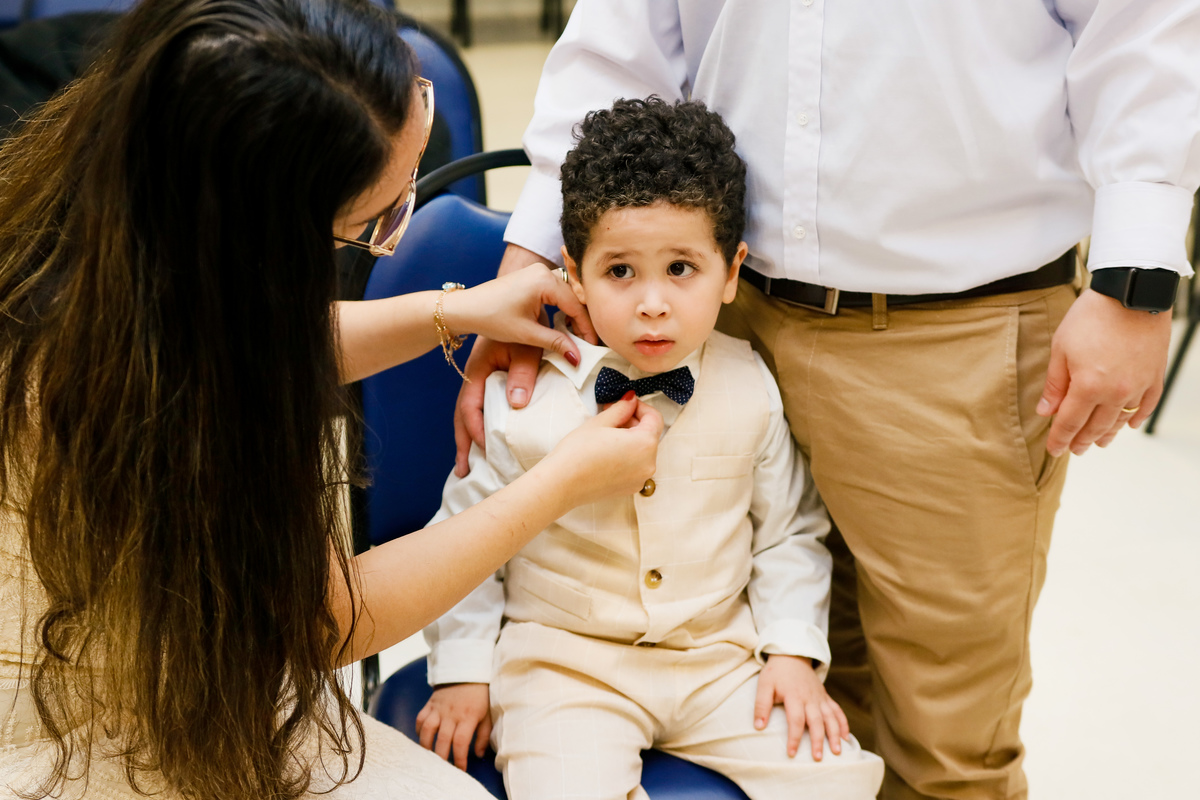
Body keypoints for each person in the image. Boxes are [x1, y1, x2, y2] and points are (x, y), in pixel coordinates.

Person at [455, 3, 1200, 799]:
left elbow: (1141, 22)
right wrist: (529, 267)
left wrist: (1137, 273)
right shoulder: (642, 335)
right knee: (821, 702)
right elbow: (621, 37)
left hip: (953, 321)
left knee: (945, 751)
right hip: (724, 314)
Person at [0, 2, 661, 799]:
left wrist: (452, 310)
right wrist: (561, 482)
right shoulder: (153, 389)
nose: (400, 220)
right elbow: (329, 620)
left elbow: (243, 341)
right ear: (259, 242)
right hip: (84, 727)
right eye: (374, 222)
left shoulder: (118, 233)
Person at [416, 98, 884, 800]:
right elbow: (466, 540)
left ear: (732, 271)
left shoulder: (752, 383)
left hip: (719, 660)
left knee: (840, 780)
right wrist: (463, 669)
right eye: (621, 272)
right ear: (573, 275)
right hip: (563, 666)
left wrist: (790, 651)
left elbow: (789, 533)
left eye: (682, 268)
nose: (653, 303)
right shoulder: (522, 397)